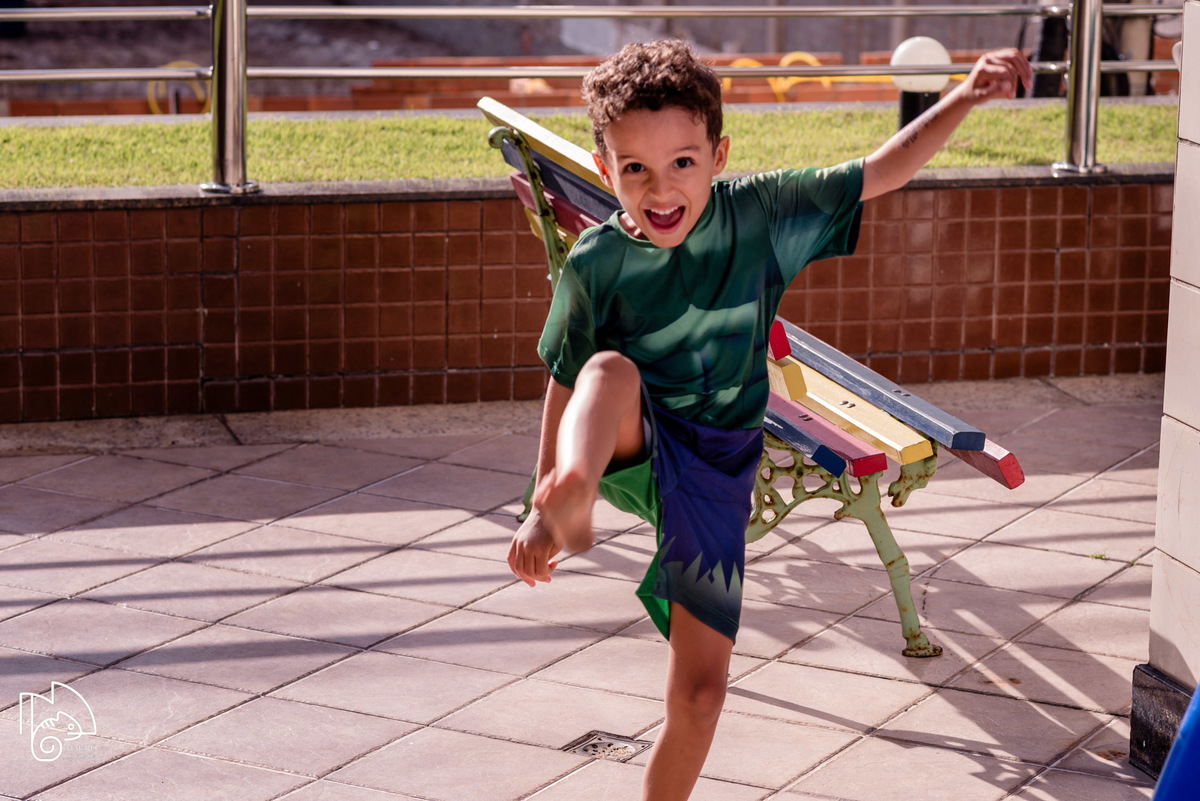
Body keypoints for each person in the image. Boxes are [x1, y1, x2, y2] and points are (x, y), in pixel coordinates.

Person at [506, 39, 1031, 801]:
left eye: (682, 162)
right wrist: (542, 499)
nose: (660, 188)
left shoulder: (761, 213)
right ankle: (573, 496)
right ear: (604, 168)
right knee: (611, 370)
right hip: (631, 440)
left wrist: (967, 95)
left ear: (718, 156)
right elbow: (566, 378)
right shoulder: (596, 261)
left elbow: (881, 170)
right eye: (635, 168)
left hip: (715, 477)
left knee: (700, 696)